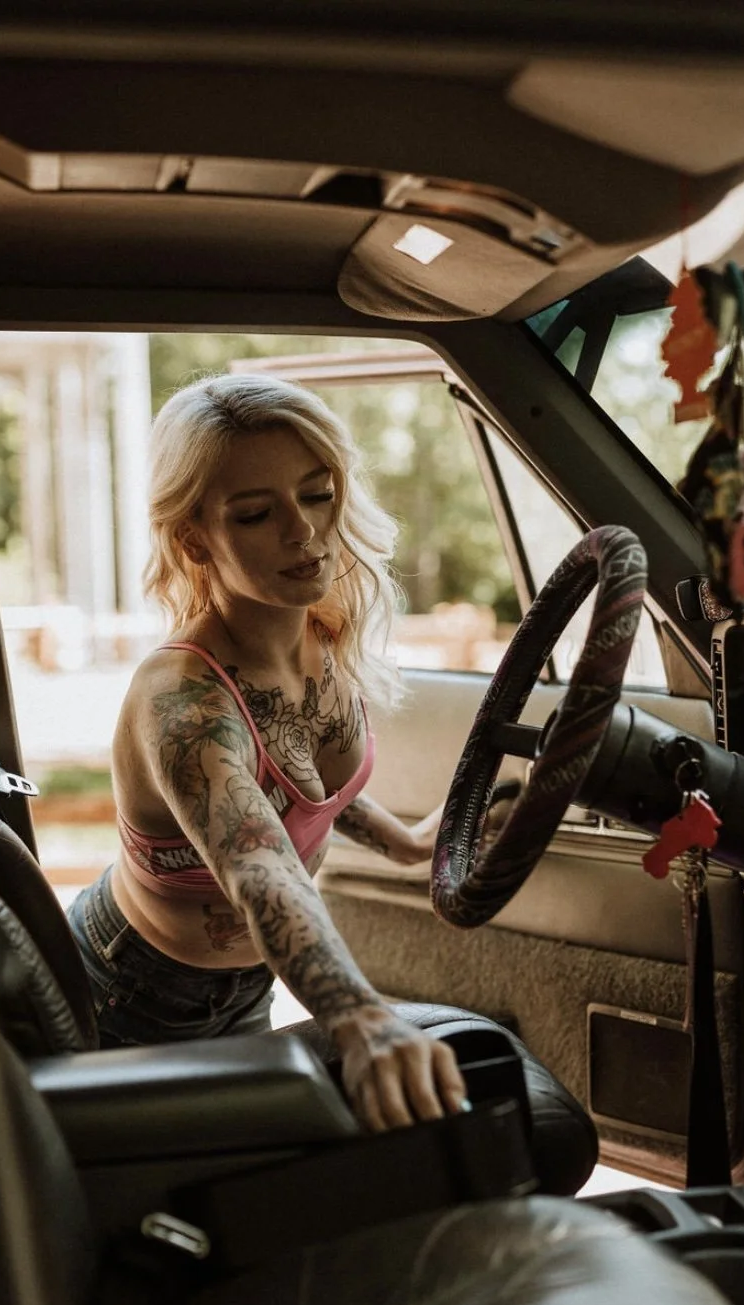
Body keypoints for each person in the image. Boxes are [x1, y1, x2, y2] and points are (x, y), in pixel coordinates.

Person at [66, 372, 465, 1131]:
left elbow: (298, 791)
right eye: (255, 513)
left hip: (251, 983)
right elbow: (261, 867)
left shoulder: (323, 637)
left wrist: (409, 844)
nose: (303, 532)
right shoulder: (183, 700)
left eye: (317, 495)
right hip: (133, 991)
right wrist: (359, 1015)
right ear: (194, 539)